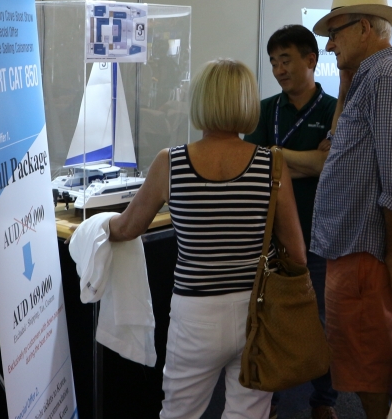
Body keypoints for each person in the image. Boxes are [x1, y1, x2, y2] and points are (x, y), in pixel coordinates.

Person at [109, 59, 308, 418]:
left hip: (195, 312)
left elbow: (127, 228)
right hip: (255, 309)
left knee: (180, 412)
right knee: (249, 412)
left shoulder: (170, 162)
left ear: (201, 99)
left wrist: (97, 226)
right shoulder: (272, 165)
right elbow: (297, 254)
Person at [310, 0, 392, 419]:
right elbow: (338, 145)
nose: (329, 45)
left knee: (372, 375)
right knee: (370, 368)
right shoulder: (375, 77)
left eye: (335, 33)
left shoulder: (387, 79)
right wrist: (346, 83)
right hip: (362, 253)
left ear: (364, 27)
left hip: (367, 256)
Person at [244, 25, 340, 419]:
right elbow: (254, 166)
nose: (278, 69)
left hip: (319, 232)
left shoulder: (334, 108)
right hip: (271, 236)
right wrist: (306, 161)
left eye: (285, 60)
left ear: (311, 60)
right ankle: (268, 400)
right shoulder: (266, 109)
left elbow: (329, 165)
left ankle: (324, 400)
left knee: (322, 320)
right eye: (273, 62)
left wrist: (277, 156)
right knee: (267, 318)